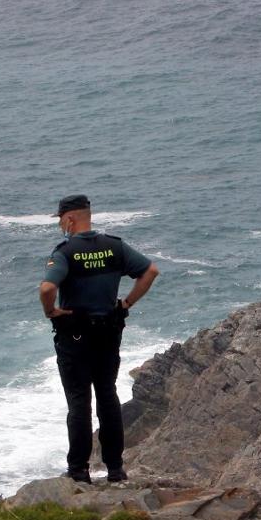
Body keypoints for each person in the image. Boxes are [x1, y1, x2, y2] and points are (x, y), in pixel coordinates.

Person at [39, 194, 159, 483]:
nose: (60, 226)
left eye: (60, 221)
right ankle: (115, 468)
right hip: (109, 332)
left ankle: (79, 471)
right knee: (107, 396)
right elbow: (150, 271)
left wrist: (51, 311)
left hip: (75, 336)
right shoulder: (114, 247)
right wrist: (126, 303)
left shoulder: (65, 252)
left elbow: (46, 288)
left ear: (69, 219)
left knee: (79, 402)